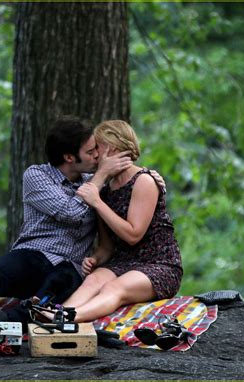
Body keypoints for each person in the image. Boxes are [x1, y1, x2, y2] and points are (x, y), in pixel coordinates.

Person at [0, 116, 134, 339]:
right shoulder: (37, 176)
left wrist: (151, 178)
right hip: (34, 255)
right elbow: (71, 213)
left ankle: (1, 325)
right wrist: (99, 178)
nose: (97, 155)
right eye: (90, 151)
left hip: (71, 266)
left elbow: (129, 181)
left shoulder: (94, 180)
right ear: (69, 157)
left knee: (55, 288)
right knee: (0, 270)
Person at [63, 120, 183, 323]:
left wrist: (97, 203)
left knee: (114, 287)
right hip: (123, 263)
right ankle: (54, 315)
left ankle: (68, 318)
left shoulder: (143, 180)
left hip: (158, 264)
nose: (94, 155)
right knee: (93, 280)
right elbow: (107, 247)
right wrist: (96, 259)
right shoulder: (105, 190)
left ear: (112, 148)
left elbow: (133, 235)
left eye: (96, 149)